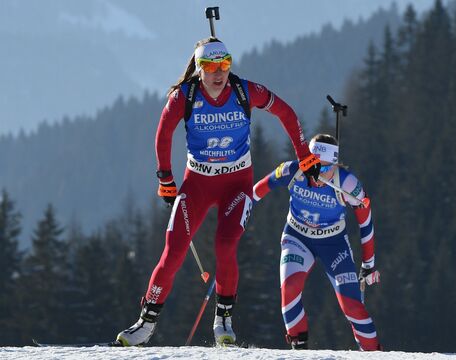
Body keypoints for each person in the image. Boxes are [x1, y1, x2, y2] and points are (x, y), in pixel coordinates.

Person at [115, 37, 321, 346]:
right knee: (173, 251)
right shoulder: (184, 96)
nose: (218, 72)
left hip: (237, 185)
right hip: (197, 183)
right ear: (199, 69)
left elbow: (286, 113)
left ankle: (223, 319)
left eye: (225, 64)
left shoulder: (243, 91)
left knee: (225, 246)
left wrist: (305, 155)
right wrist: (165, 178)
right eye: (210, 66)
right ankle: (145, 324)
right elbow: (163, 134)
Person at [252, 133, 381, 351]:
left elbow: (366, 223)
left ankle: (375, 354)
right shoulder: (292, 170)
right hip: (297, 237)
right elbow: (257, 190)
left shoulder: (348, 183)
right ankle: (299, 351)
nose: (317, 174)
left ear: (334, 164)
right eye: (312, 165)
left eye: (324, 168)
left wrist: (368, 264)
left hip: (334, 244)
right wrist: (238, 215)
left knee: (351, 305)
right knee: (290, 288)